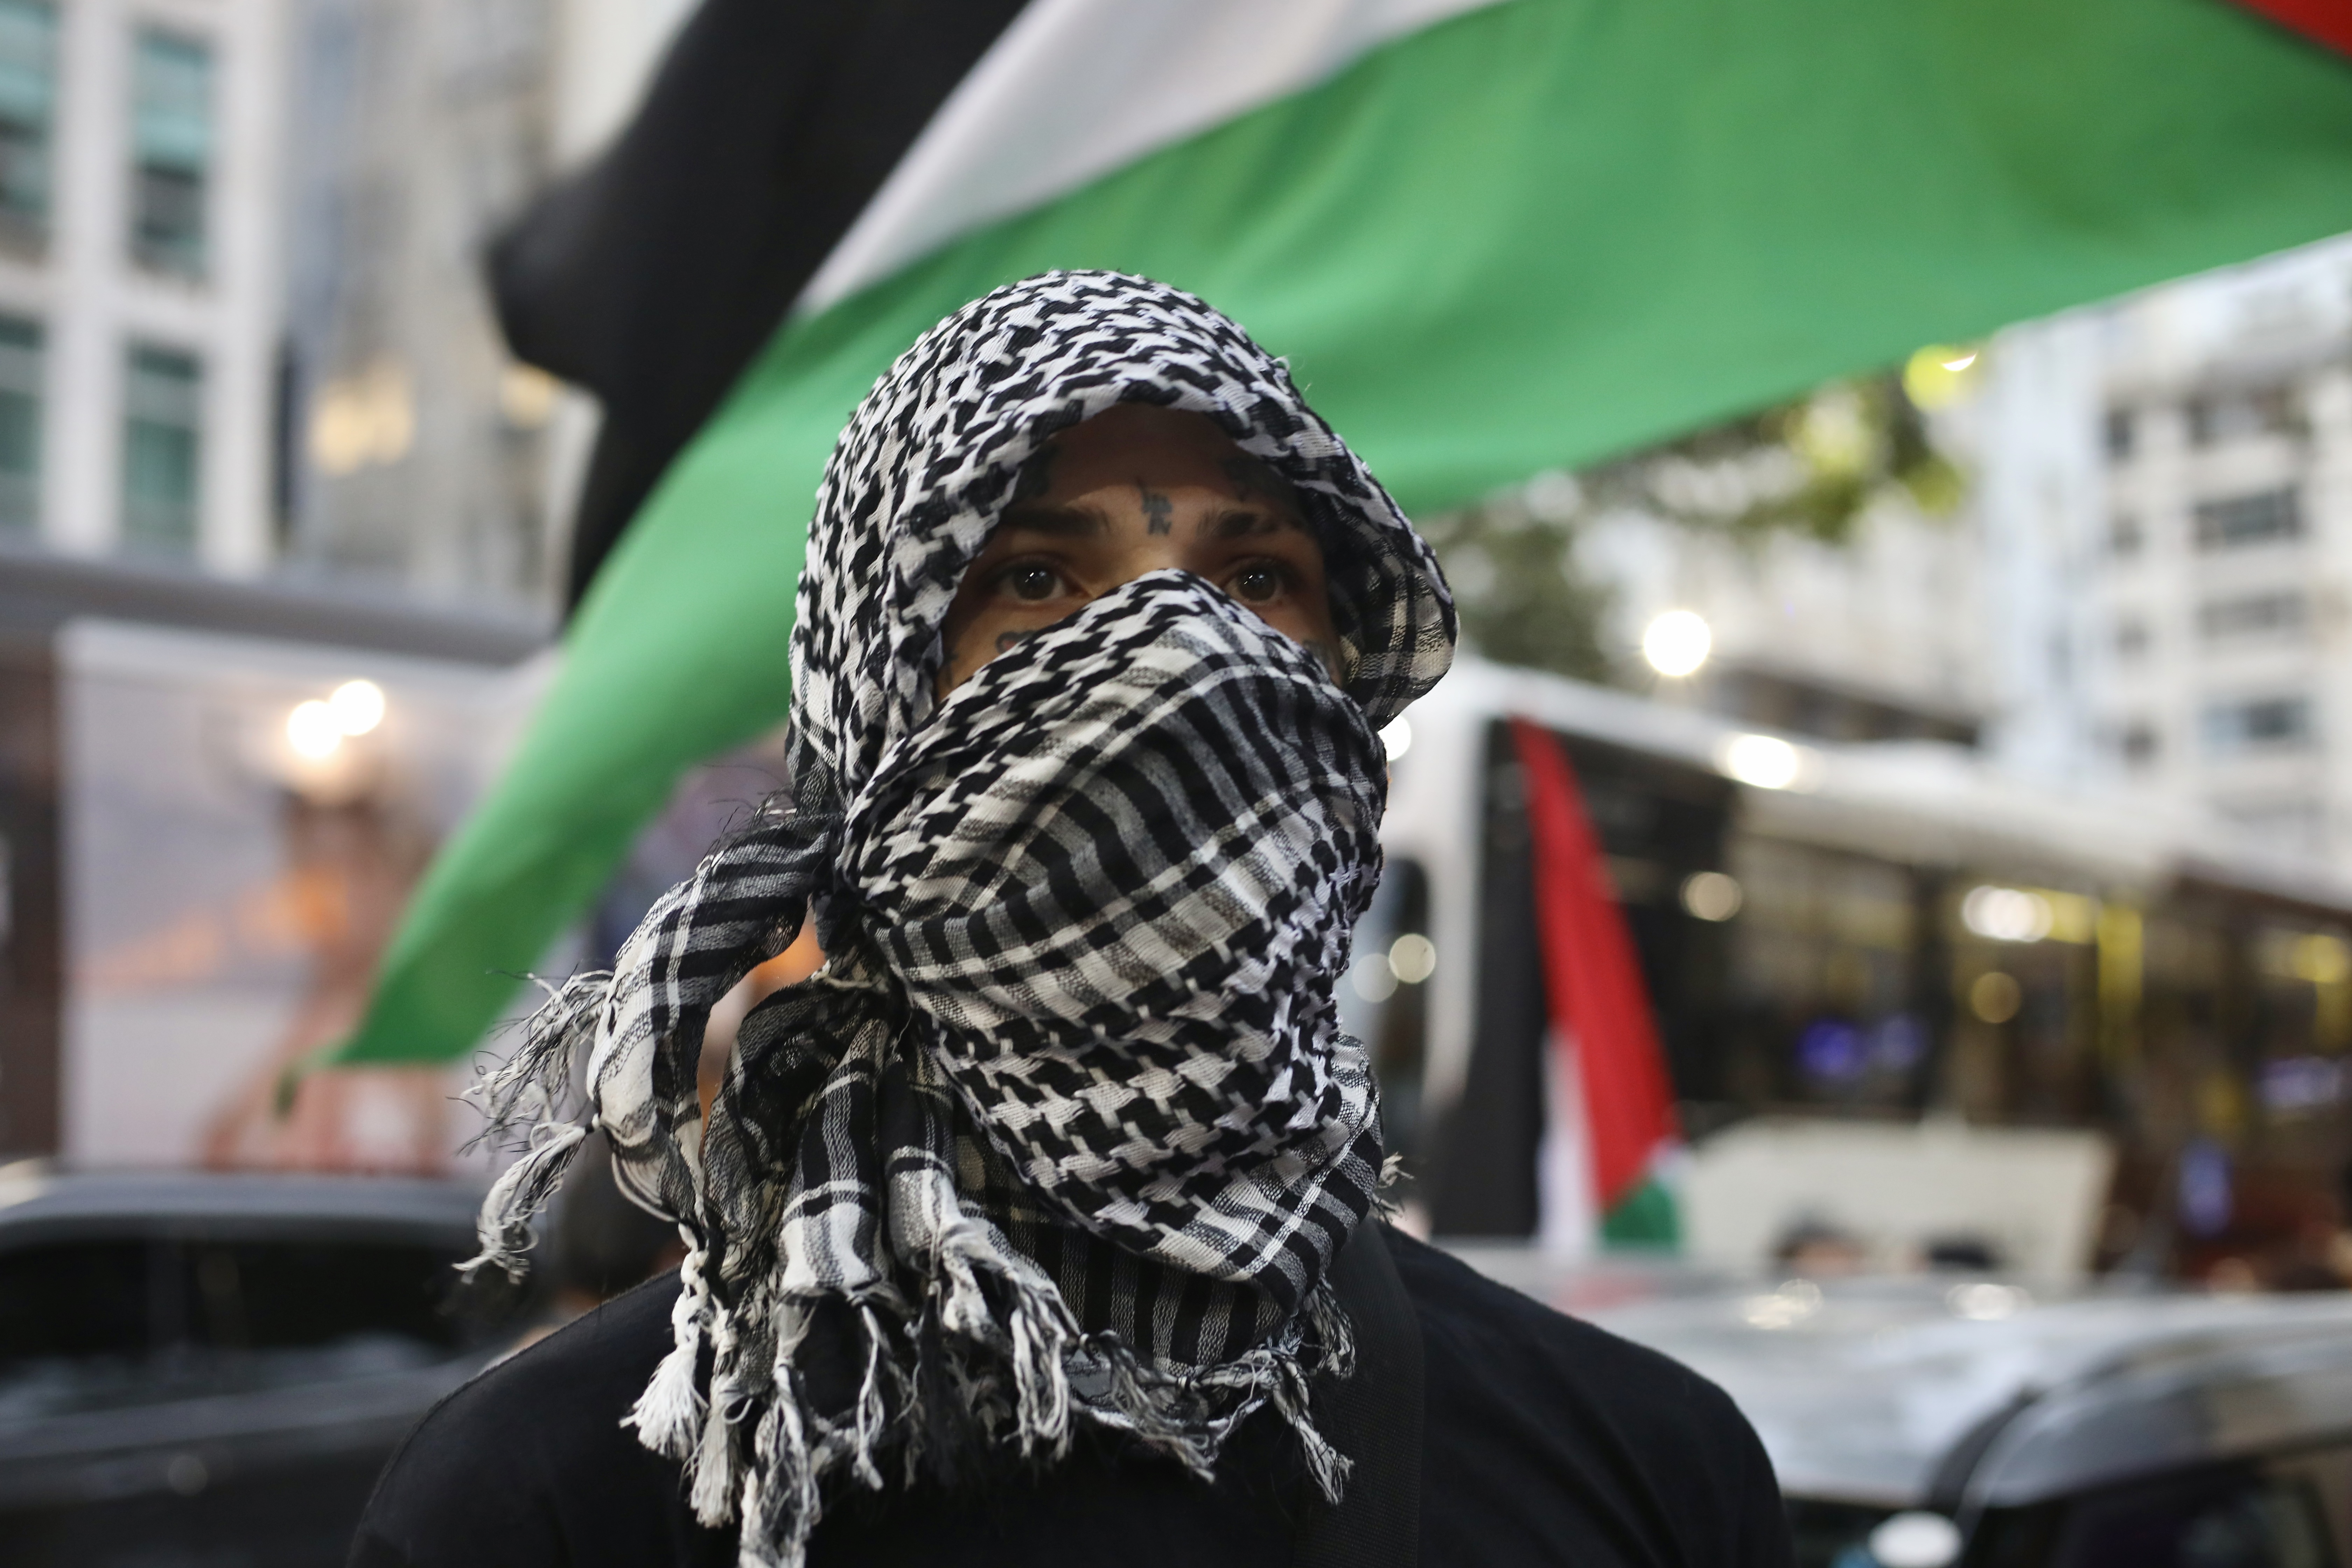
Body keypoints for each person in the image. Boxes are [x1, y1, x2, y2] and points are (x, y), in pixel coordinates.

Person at [350, 272, 1790, 1568]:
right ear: (881, 705)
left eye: (1255, 580)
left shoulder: (1649, 1471)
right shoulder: (547, 1509)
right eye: (1038, 580)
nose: (1176, 655)